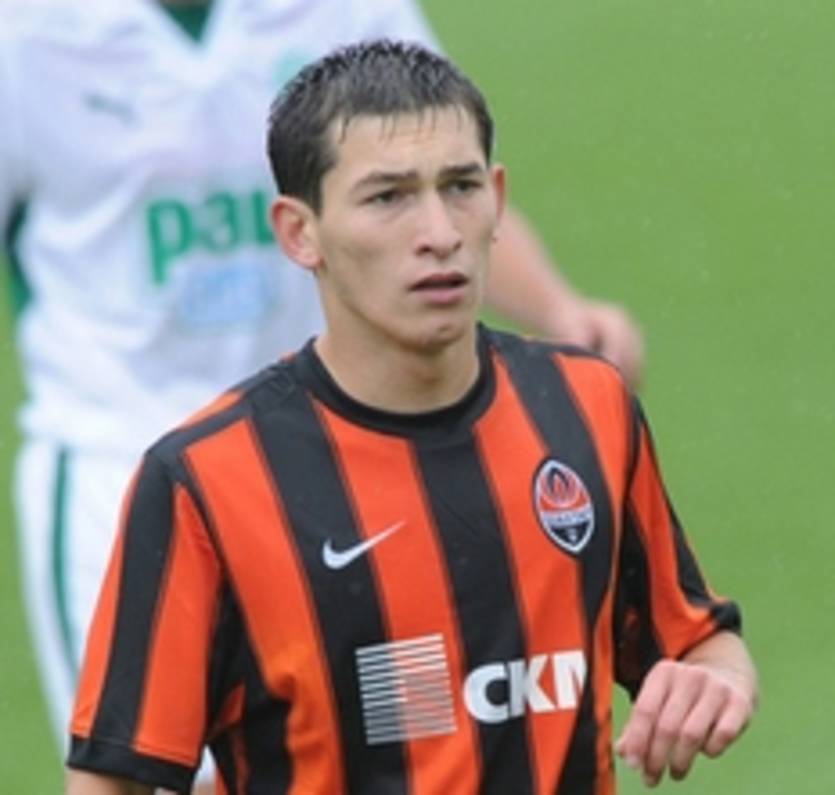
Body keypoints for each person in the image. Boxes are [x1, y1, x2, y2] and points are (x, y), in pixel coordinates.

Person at [65, 39, 756, 795]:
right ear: (299, 232)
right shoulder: (206, 481)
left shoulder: (586, 406)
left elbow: (695, 635)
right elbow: (111, 780)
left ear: (497, 197)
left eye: (460, 186)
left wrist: (717, 680)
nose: (440, 231)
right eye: (387, 197)